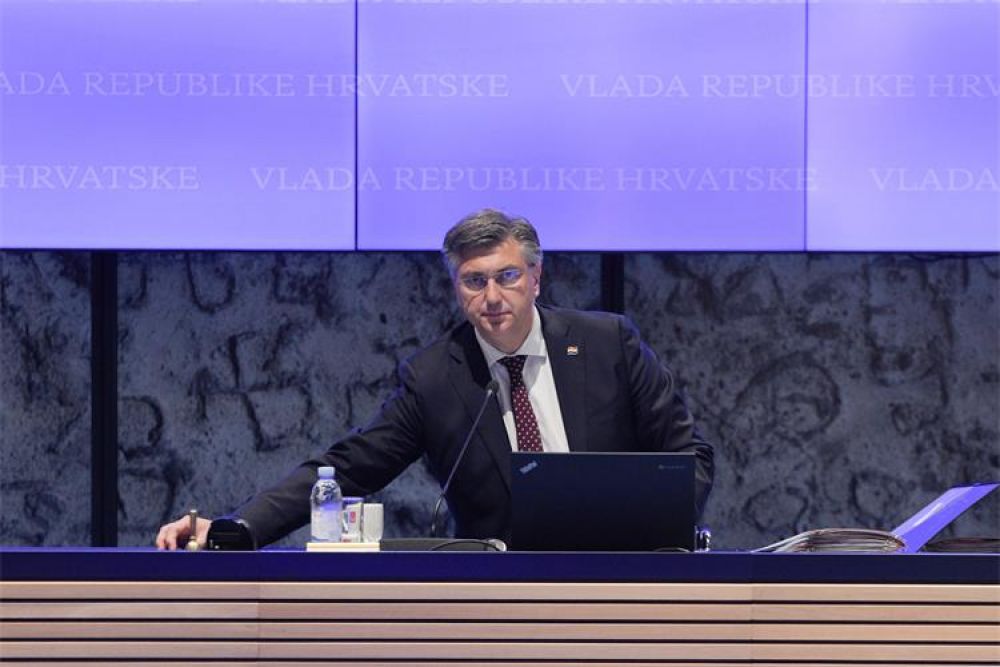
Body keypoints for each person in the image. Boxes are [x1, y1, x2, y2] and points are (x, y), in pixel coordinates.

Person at [157, 209, 714, 549]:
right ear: (455, 287)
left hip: (627, 576)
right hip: (500, 599)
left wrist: (654, 532)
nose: (492, 297)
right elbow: (348, 466)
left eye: (507, 276)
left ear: (536, 278)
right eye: (474, 281)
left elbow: (690, 456)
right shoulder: (434, 378)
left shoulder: (607, 343)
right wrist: (235, 526)